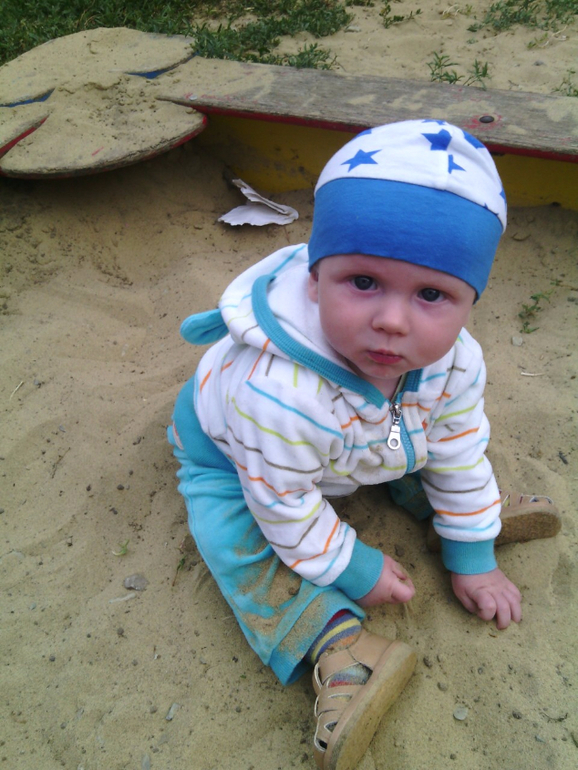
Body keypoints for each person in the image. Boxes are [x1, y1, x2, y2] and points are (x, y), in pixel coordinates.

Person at [167, 120, 560, 770]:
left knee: (424, 444)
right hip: (238, 458)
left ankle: (458, 516)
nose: (391, 321)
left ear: (471, 301)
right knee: (233, 533)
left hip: (357, 436)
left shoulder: (455, 361)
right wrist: (351, 565)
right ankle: (338, 643)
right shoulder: (278, 393)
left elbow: (457, 442)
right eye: (363, 282)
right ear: (315, 278)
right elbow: (284, 503)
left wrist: (473, 552)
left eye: (432, 294)